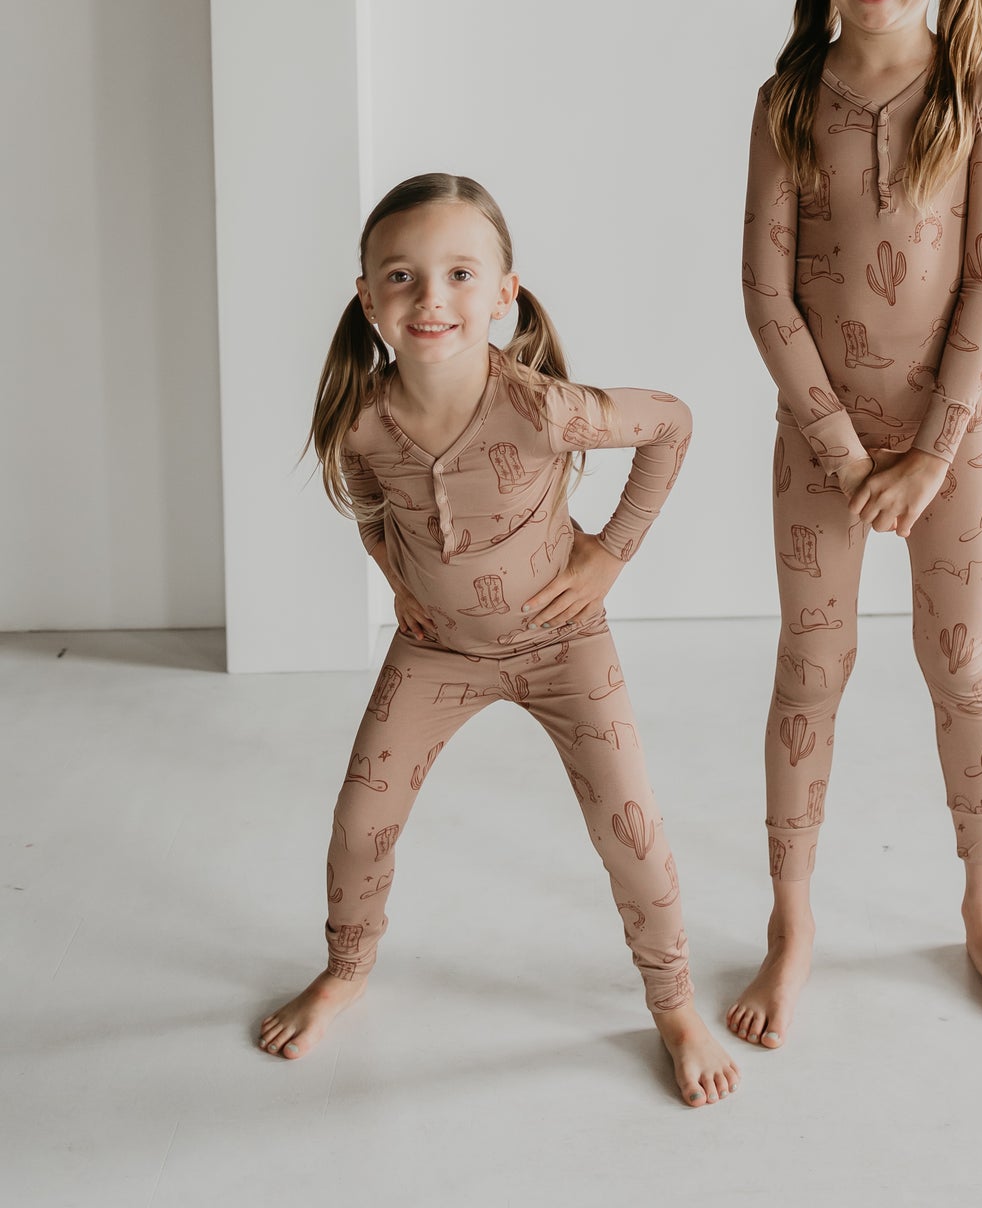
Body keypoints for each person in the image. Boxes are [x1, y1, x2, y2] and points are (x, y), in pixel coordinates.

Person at [258, 172, 740, 1108]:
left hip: (566, 646)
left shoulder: (541, 408)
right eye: (400, 276)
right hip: (437, 652)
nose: (430, 297)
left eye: (458, 273)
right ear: (367, 299)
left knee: (629, 827)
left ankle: (674, 1002)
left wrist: (610, 555)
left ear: (503, 293)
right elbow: (367, 506)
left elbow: (671, 426)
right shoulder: (361, 422)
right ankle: (347, 969)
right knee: (361, 818)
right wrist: (400, 581)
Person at [726, 0, 982, 1048]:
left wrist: (927, 449)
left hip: (948, 445)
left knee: (957, 662)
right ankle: (792, 919)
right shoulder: (787, 101)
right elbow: (765, 293)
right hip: (819, 450)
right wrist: (838, 445)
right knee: (810, 667)